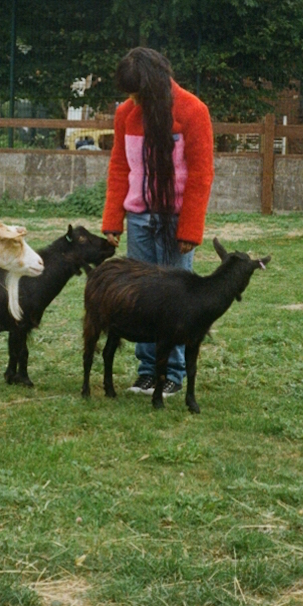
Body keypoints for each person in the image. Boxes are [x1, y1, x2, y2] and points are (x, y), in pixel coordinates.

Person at [100, 47, 214, 396]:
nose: (132, 99)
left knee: (176, 300)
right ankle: (148, 370)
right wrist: (113, 221)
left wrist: (191, 229)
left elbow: (201, 174)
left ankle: (174, 373)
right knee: (141, 298)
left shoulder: (193, 111)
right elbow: (120, 167)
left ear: (152, 84)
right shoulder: (125, 115)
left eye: (136, 91)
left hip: (177, 219)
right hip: (138, 220)